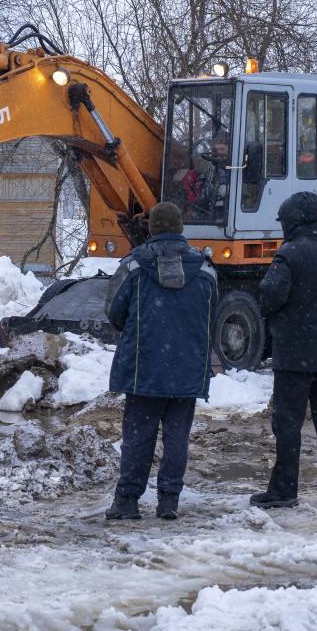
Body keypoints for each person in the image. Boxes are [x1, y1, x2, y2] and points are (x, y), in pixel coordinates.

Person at [104, 201, 218, 521]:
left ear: (152, 228)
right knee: (177, 436)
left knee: (138, 437)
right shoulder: (206, 269)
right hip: (187, 368)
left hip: (145, 368)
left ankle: (127, 501)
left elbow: (114, 312)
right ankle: (169, 501)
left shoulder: (134, 265)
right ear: (180, 228)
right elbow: (210, 316)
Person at [252, 191, 317, 509]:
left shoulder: (289, 254)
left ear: (292, 220)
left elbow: (270, 296)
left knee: (288, 424)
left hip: (294, 356)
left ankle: (284, 490)